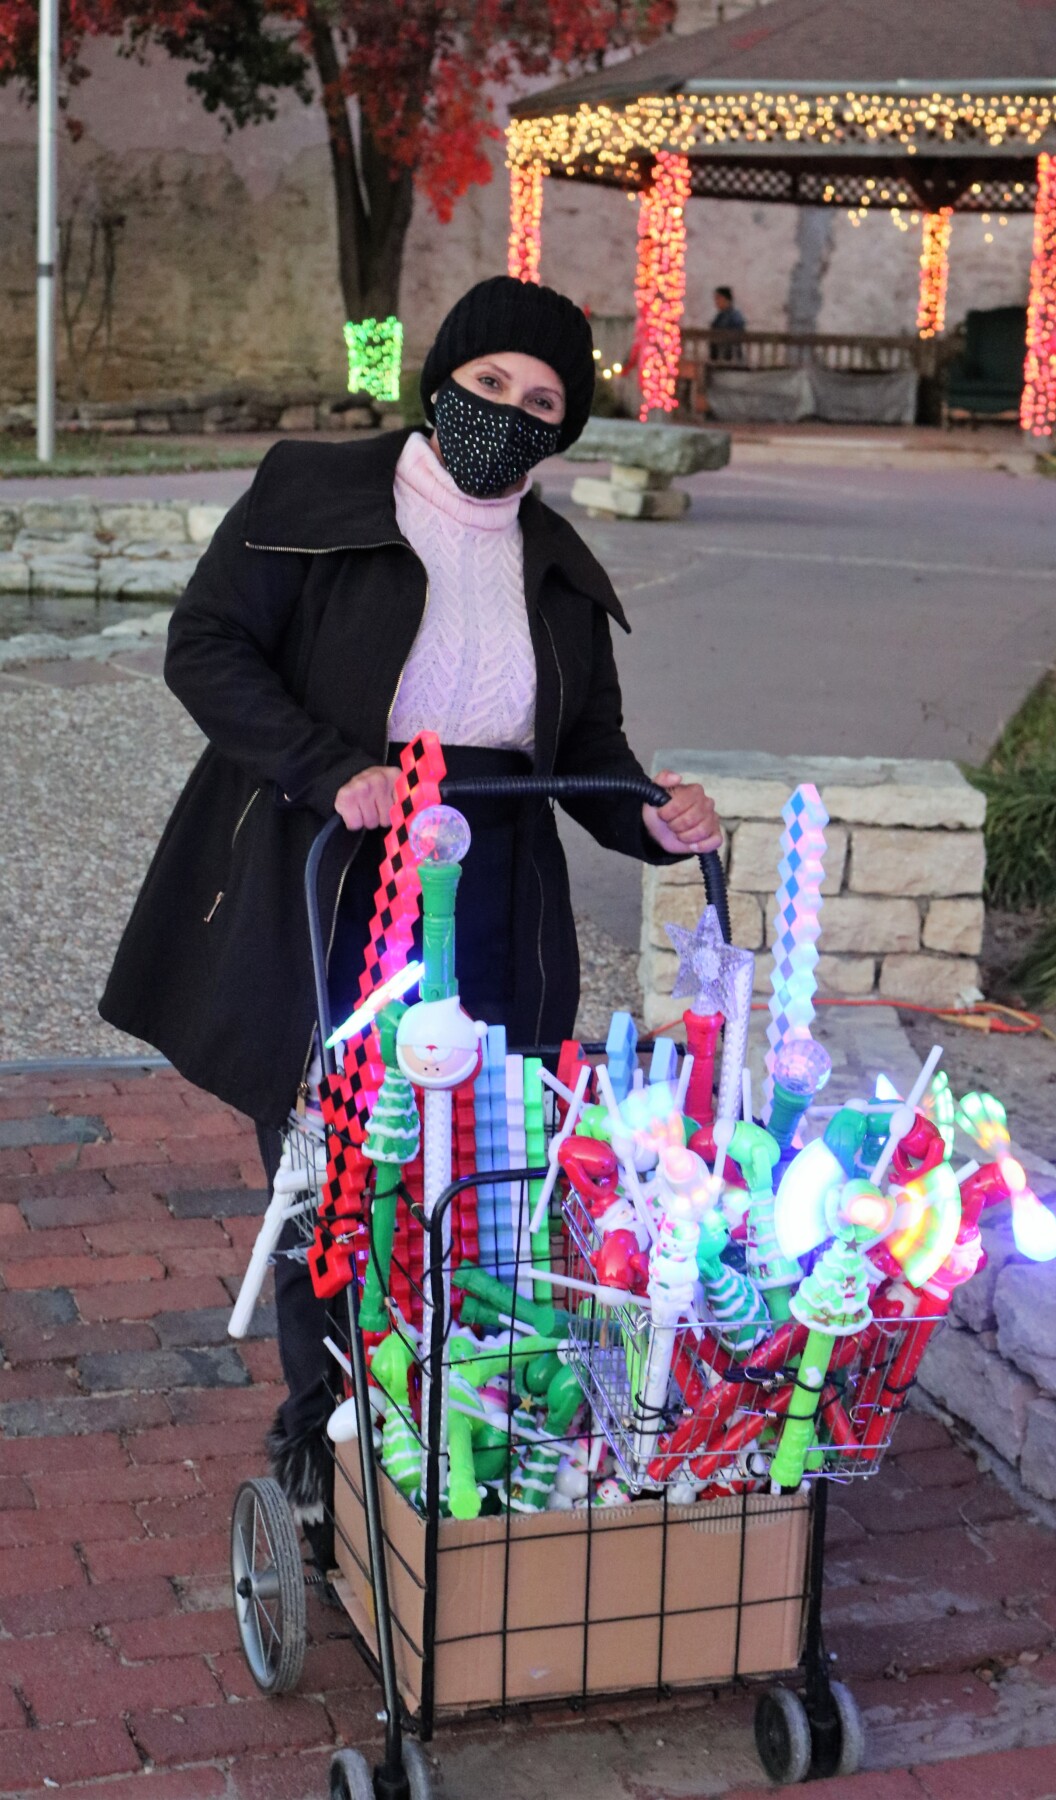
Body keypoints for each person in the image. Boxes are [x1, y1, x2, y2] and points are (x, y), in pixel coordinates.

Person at [99, 275, 722, 1526]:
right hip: (337, 863)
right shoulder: (314, 495)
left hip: (497, 882)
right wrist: (334, 772)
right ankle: (318, 1426)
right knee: (340, 1158)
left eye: (541, 401)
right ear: (443, 378)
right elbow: (206, 645)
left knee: (491, 1158)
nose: (509, 412)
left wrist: (651, 813)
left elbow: (582, 739)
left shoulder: (554, 561)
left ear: (561, 433)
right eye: (489, 382)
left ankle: (456, 1411)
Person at [709, 285, 747, 361]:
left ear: (726, 299)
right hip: (720, 356)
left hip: (730, 357)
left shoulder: (734, 316)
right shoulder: (720, 316)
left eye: (718, 298)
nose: (716, 301)